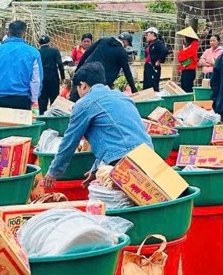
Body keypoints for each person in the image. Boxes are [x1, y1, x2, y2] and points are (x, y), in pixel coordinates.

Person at [41, 63, 152, 191]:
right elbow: (110, 135)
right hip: (148, 154)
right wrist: (95, 170)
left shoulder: (84, 104)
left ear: (83, 85)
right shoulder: (121, 96)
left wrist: (53, 172)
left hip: (124, 161)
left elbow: (70, 141)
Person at [0, 20, 42, 124]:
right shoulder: (33, 52)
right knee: (20, 138)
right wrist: (33, 100)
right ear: (24, 33)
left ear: (8, 33)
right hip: (21, 100)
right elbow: (36, 80)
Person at [37, 36, 64, 112]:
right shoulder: (55, 51)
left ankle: (42, 118)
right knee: (54, 101)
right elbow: (60, 64)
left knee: (42, 101)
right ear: (49, 42)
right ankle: (53, 119)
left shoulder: (37, 51)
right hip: (53, 78)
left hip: (41, 78)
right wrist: (62, 77)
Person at [142, 27, 168, 92]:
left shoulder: (158, 43)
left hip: (153, 67)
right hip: (147, 66)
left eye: (147, 34)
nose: (146, 36)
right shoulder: (149, 44)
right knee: (146, 85)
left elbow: (165, 51)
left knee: (153, 85)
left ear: (153, 34)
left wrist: (159, 60)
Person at [176, 27, 200, 92]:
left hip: (189, 70)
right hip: (186, 69)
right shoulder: (188, 46)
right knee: (183, 87)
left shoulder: (194, 45)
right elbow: (180, 57)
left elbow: (181, 57)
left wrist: (182, 52)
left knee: (187, 88)